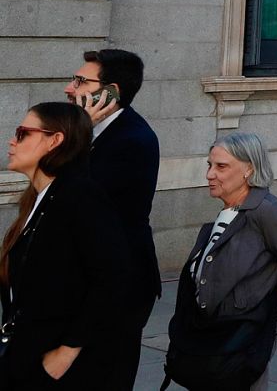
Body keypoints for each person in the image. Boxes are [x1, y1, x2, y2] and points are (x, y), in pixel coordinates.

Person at [166, 132, 277, 391]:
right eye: (209, 165)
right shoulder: (230, 210)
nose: (210, 174)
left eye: (221, 166)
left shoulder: (266, 211)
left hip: (242, 336)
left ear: (248, 169)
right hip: (213, 333)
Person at [0, 102, 129, 390]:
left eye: (23, 133)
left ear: (55, 140)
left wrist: (66, 353)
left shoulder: (81, 196)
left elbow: (112, 279)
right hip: (26, 354)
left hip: (58, 366)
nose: (12, 140)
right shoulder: (41, 198)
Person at [65, 49, 160, 388]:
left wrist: (78, 134)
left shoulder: (133, 140)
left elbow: (74, 198)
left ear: (111, 91)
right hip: (87, 284)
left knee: (106, 377)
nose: (68, 88)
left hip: (119, 289)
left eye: (79, 81)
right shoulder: (90, 132)